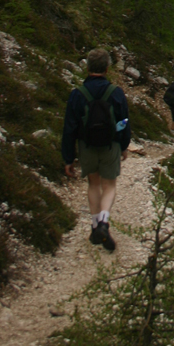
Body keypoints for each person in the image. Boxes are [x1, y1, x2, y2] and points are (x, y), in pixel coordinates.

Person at [62, 48, 131, 252]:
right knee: (109, 185)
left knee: (93, 184)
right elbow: (124, 121)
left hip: (86, 146)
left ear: (87, 67)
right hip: (110, 145)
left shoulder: (77, 94)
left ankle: (94, 227)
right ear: (107, 68)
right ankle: (104, 222)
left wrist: (68, 158)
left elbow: (69, 128)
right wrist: (124, 145)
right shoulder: (116, 93)